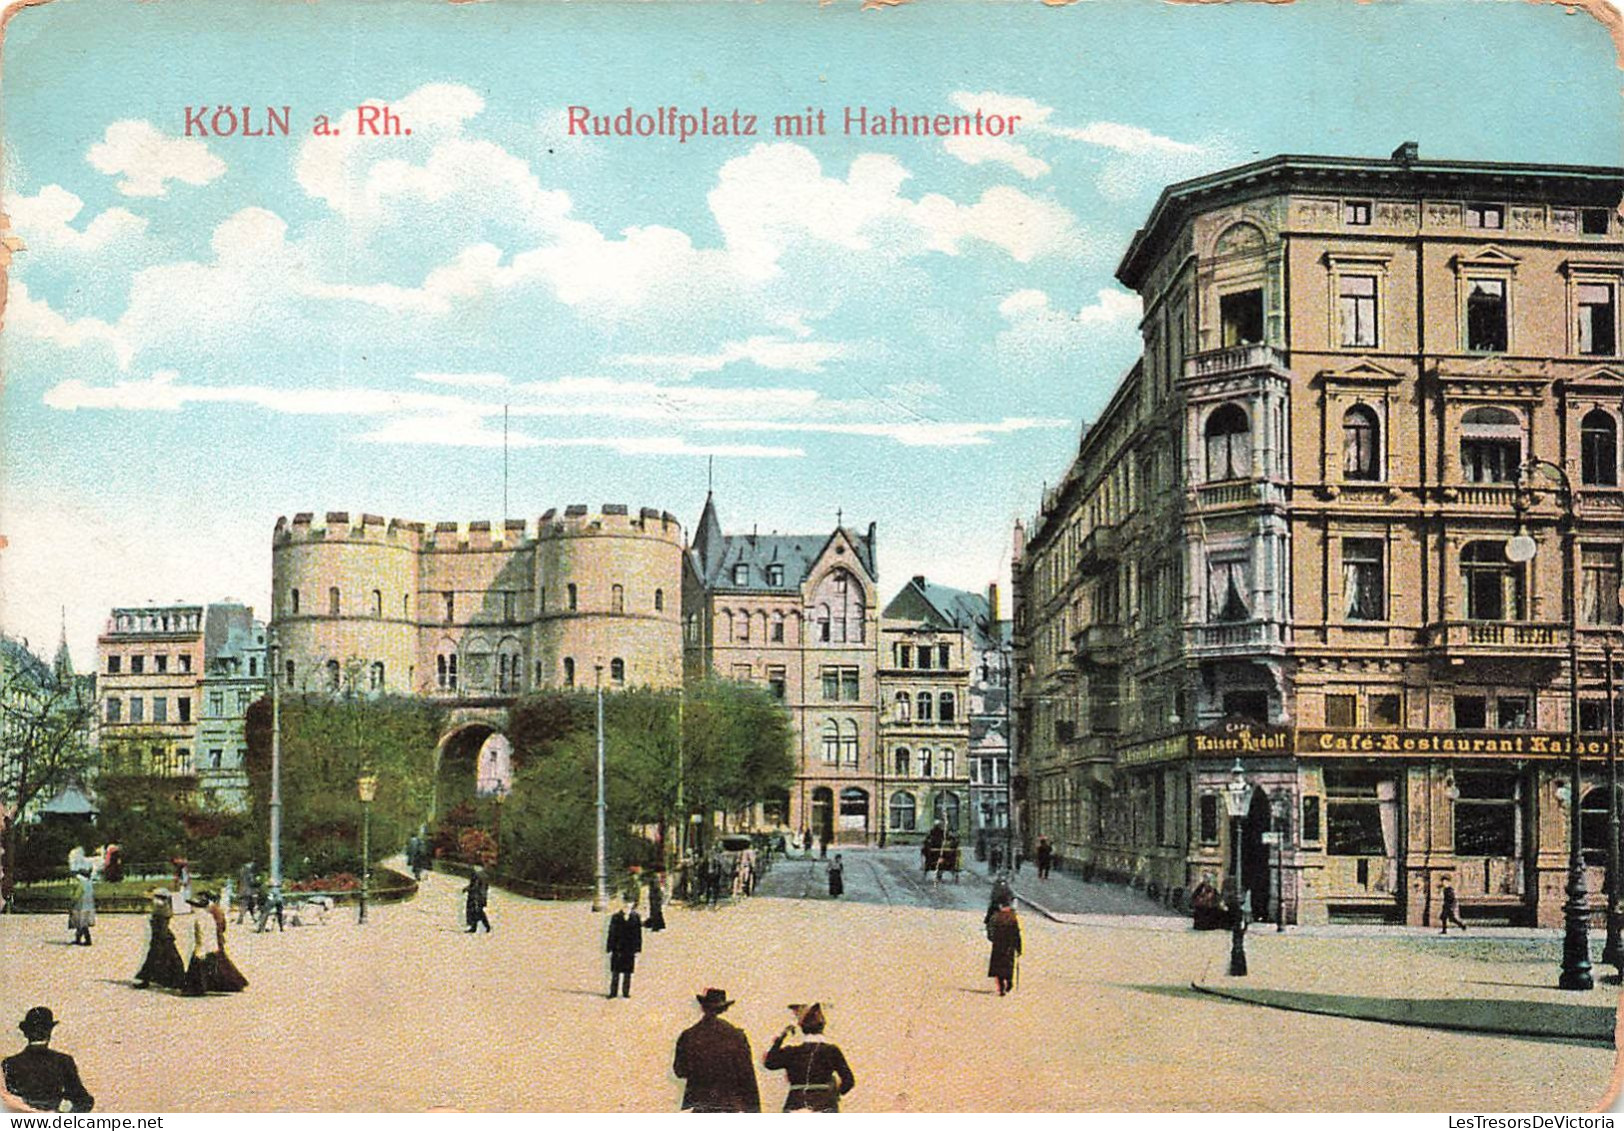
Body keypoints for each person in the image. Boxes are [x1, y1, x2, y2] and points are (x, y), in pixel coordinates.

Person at [673, 988, 761, 1113]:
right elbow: (747, 1075)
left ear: (703, 1007)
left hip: (701, 1104)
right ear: (724, 1008)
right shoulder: (736, 1035)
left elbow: (680, 1071)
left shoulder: (689, 1035)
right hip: (729, 1104)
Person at [764, 1003, 856, 1112]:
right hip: (824, 1105)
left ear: (802, 1028)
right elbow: (849, 1081)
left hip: (795, 1103)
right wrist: (835, 1094)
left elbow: (769, 1063)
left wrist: (781, 1038)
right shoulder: (832, 1051)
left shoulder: (791, 1052)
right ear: (822, 1026)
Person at [2, 1008, 93, 1113]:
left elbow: (8, 1102)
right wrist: (62, 1106)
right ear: (49, 1032)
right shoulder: (63, 1061)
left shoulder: (9, 1063)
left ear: (26, 1033)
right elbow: (84, 1101)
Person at [134, 889, 187, 990]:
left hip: (161, 938)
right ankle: (177, 980)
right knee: (171, 960)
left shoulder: (161, 908)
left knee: (156, 960)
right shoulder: (164, 908)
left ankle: (146, 979)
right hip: (164, 937)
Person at [606, 897, 643, 999]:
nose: (627, 906)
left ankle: (625, 992)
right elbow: (611, 933)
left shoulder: (636, 917)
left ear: (633, 904)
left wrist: (637, 949)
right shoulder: (615, 917)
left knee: (628, 972)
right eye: (625, 903)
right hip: (618, 948)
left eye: (629, 903)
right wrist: (609, 947)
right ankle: (613, 992)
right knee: (615, 972)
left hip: (629, 949)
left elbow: (638, 935)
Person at [986, 897, 1022, 996]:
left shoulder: (996, 917)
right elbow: (1017, 934)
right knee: (1008, 967)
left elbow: (990, 930)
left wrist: (993, 939)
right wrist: (1019, 948)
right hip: (1009, 946)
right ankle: (1009, 982)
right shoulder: (1012, 918)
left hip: (998, 945)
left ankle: (1001, 988)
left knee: (998, 968)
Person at [68, 872, 94, 946]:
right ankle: (80, 939)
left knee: (81, 924)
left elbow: (77, 895)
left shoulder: (81, 883)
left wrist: (71, 903)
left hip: (80, 906)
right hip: (88, 906)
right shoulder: (89, 883)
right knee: (83, 924)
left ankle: (86, 940)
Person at [464, 866, 491, 933]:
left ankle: (482, 926)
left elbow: (475, 886)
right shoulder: (484, 875)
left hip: (476, 896)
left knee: (476, 911)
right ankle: (480, 926)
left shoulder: (477, 875)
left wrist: (467, 889)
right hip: (482, 896)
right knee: (478, 911)